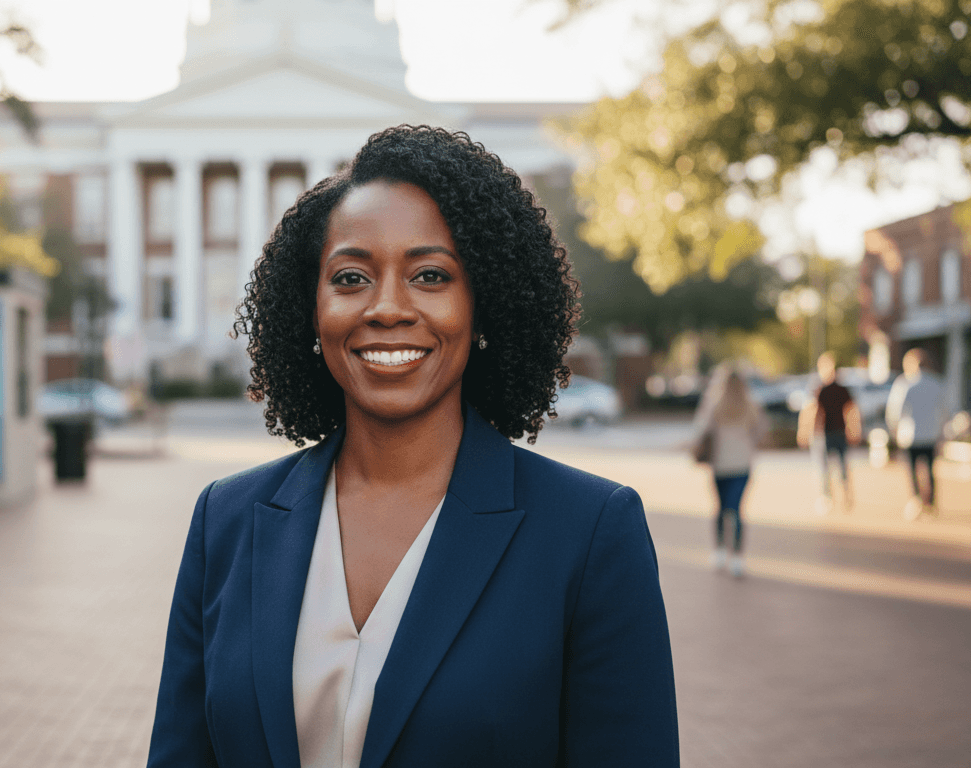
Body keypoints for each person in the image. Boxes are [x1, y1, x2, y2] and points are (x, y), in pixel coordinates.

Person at [147, 126, 678, 767]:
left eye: (430, 275)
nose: (388, 307)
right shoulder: (226, 523)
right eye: (350, 278)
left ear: (483, 306)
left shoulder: (589, 532)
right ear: (309, 309)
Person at [691, 364, 766, 578]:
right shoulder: (751, 404)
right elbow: (761, 430)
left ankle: (721, 551)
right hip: (742, 464)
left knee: (721, 508)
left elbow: (702, 429)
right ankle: (737, 558)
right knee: (736, 510)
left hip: (720, 464)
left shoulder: (714, 404)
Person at [885, 349, 948, 520]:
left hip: (910, 435)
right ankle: (931, 504)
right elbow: (944, 412)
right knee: (930, 470)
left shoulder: (905, 384)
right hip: (931, 434)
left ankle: (916, 500)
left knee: (913, 470)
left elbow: (895, 412)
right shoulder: (936, 383)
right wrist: (942, 434)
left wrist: (894, 431)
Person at [796, 352, 861, 513]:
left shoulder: (822, 389)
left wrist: (805, 431)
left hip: (825, 433)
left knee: (824, 467)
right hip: (834, 432)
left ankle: (829, 497)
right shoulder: (838, 389)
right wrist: (854, 430)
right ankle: (842, 495)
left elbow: (813, 411)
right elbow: (852, 411)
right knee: (839, 465)